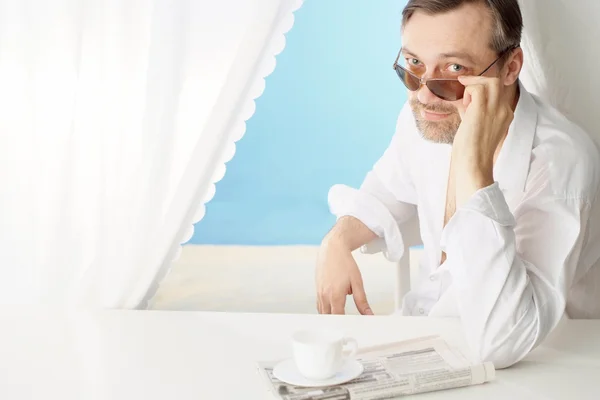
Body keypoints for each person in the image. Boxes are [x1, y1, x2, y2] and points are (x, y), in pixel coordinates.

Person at [315, 0, 600, 369]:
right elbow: (387, 191)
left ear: (511, 67)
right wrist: (336, 241)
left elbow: (505, 341)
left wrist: (473, 166)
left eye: (453, 69)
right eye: (414, 64)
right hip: (433, 337)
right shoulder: (429, 116)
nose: (423, 93)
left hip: (545, 366)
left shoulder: (560, 164)